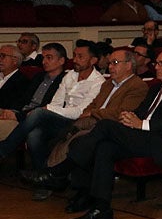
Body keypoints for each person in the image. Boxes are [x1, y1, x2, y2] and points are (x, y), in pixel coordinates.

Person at [26, 47, 162, 219]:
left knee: (105, 126)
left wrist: (142, 124)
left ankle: (58, 172)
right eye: (157, 63)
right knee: (104, 148)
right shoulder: (156, 88)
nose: (156, 67)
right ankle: (102, 207)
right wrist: (130, 117)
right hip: (139, 136)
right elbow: (140, 112)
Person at [0, 40, 103, 174]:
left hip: (78, 122)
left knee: (38, 113)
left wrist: (47, 110)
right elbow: (56, 103)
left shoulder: (98, 82)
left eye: (80, 56)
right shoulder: (70, 75)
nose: (75, 60)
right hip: (61, 118)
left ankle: (5, 149)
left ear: (93, 60)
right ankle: (44, 174)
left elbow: (80, 111)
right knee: (34, 135)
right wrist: (49, 109)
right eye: (75, 55)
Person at [0, 43, 67, 140]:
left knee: (33, 134)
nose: (44, 61)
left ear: (61, 61)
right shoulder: (38, 77)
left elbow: (48, 106)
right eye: (43, 58)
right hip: (21, 113)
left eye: (49, 58)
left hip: (36, 117)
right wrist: (11, 111)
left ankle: (4, 150)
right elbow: (24, 99)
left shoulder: (65, 80)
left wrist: (17, 115)